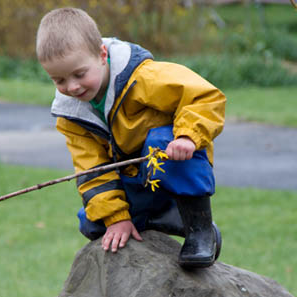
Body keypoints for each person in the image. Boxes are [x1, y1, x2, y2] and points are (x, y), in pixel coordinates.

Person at [36, 7, 226, 268]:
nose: (72, 87)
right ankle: (165, 219)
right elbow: (91, 168)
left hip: (171, 168)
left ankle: (199, 227)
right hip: (134, 181)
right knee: (91, 221)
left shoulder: (143, 77)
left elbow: (205, 96)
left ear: (102, 55)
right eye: (59, 80)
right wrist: (116, 217)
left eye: (79, 74)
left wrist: (188, 137)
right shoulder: (71, 115)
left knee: (161, 141)